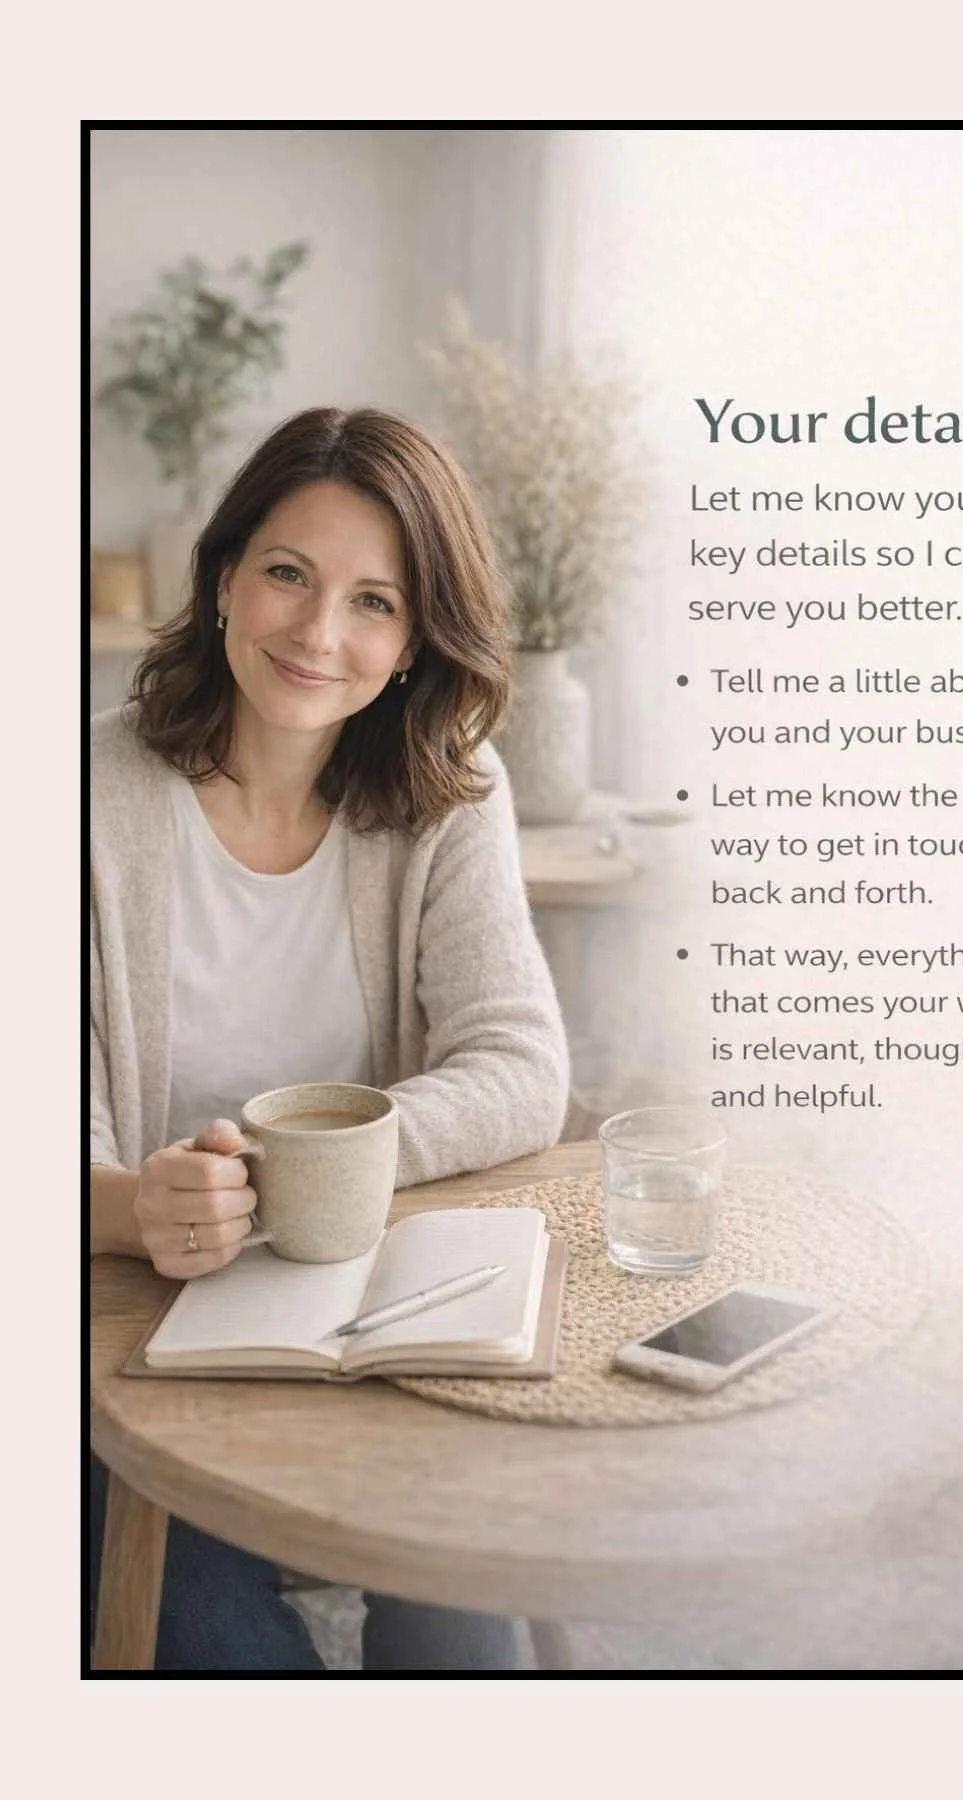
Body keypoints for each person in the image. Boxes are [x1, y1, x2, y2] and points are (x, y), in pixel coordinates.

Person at [90, 406, 570, 1670]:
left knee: (461, 1609)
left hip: (373, 1305)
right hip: (126, 1333)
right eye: (288, 575)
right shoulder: (83, 801)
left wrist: (310, 1170)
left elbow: (521, 1066)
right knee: (210, 1634)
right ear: (224, 578)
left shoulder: (450, 788)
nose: (317, 634)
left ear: (415, 641)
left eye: (374, 602)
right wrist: (137, 1207)